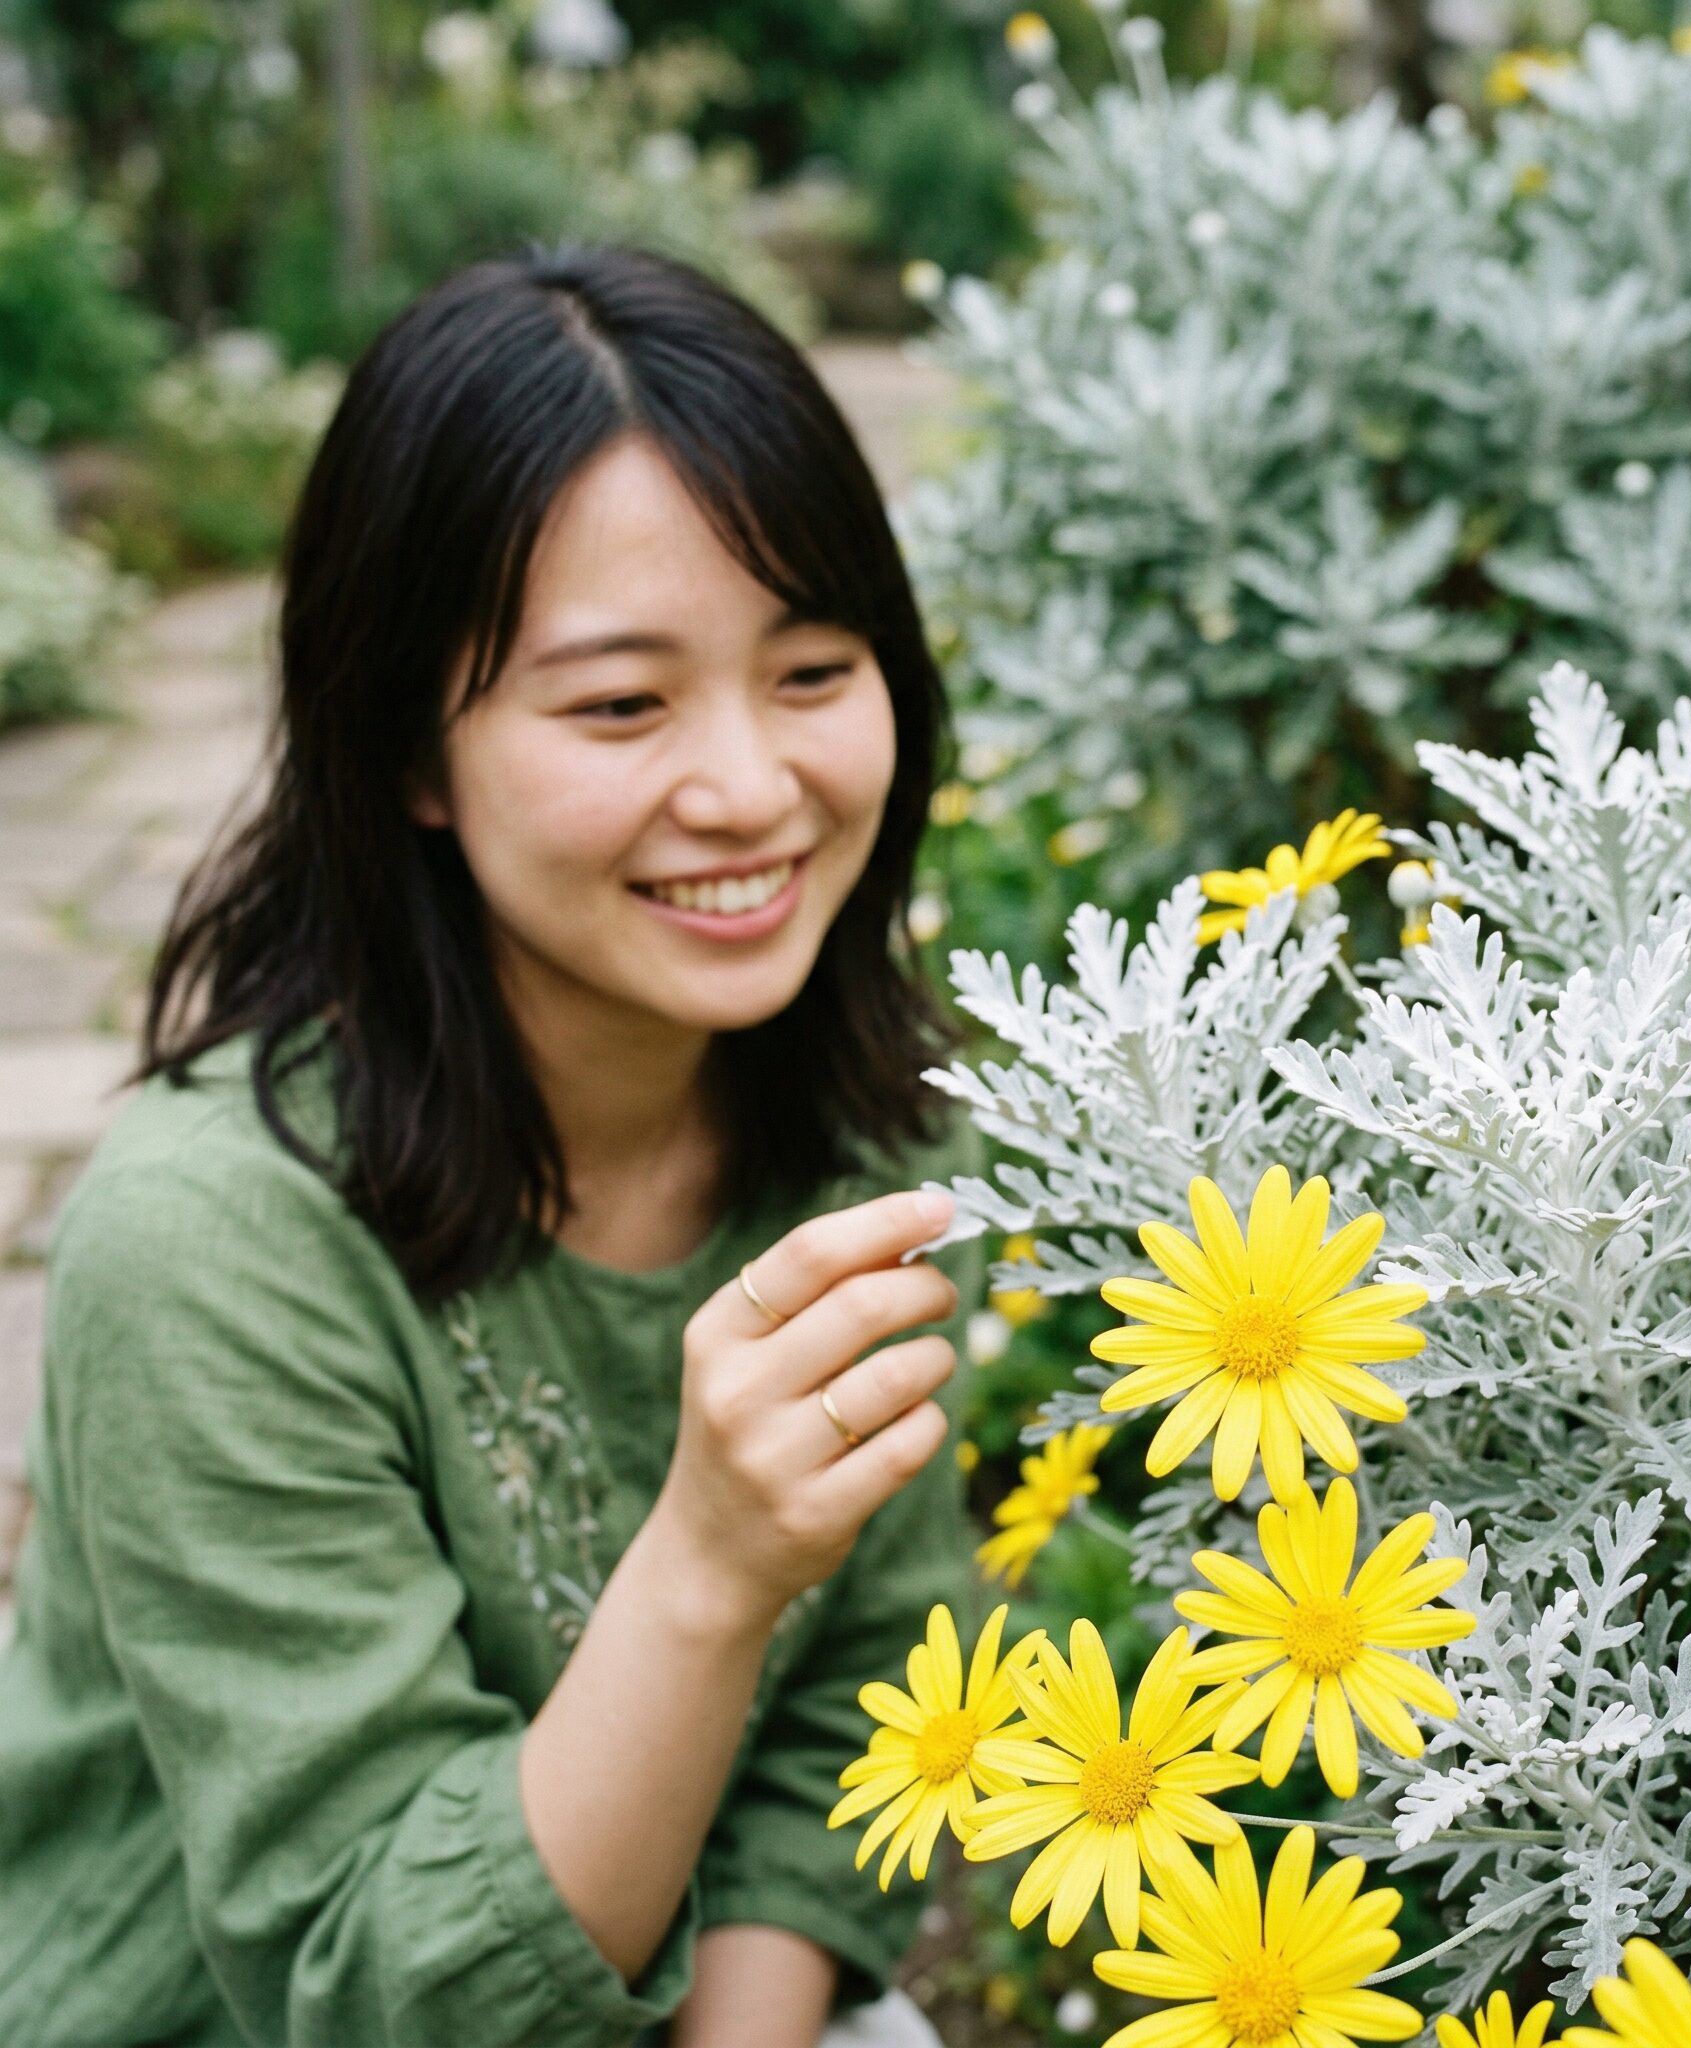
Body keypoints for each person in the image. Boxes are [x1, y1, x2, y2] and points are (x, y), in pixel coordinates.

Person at [0, 246, 982, 2048]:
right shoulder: (212, 1247)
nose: (752, 788)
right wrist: (708, 1563)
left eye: (814, 669)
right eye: (623, 704)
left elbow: (867, 1690)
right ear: (408, 754)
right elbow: (380, 1988)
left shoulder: (844, 1133)